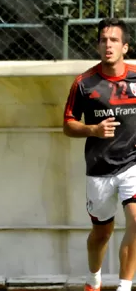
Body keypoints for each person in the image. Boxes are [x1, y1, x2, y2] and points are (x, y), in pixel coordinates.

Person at [64, 17, 136, 291]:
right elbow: (68, 125)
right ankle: (93, 278)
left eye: (114, 40)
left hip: (133, 164)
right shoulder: (84, 83)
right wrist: (92, 130)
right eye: (104, 40)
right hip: (100, 169)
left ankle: (124, 286)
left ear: (125, 47)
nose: (108, 45)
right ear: (97, 46)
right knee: (101, 234)